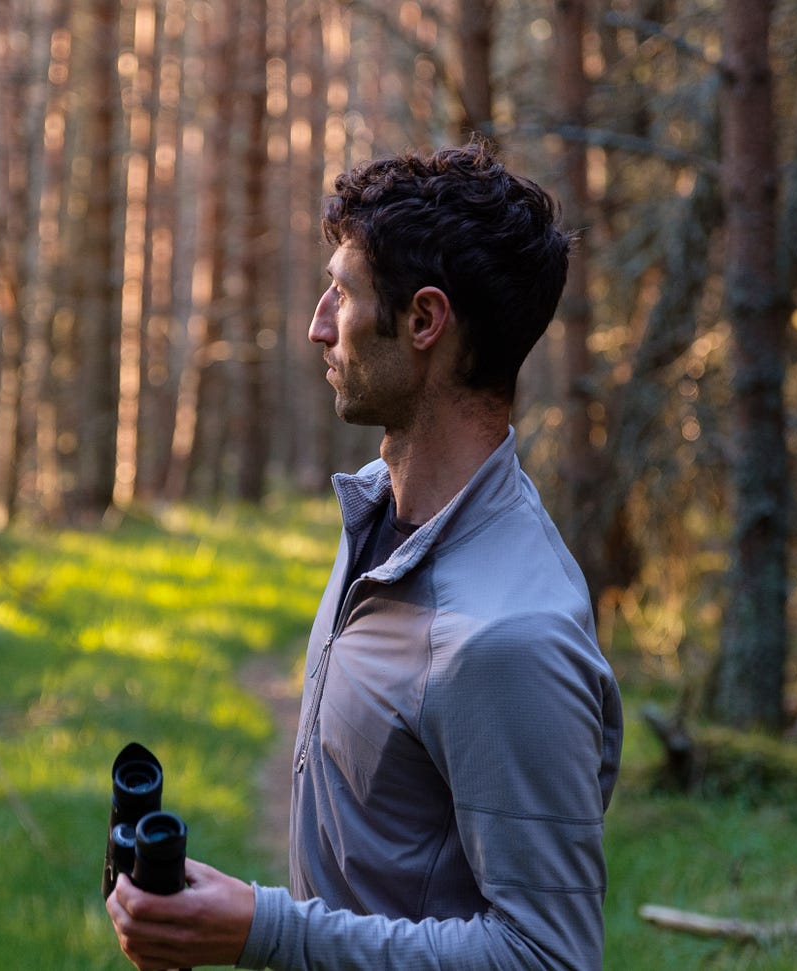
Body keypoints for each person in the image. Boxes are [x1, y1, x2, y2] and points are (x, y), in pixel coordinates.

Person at [106, 139, 623, 971]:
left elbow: (548, 957)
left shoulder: (508, 638)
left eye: (341, 293)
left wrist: (265, 931)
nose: (317, 324)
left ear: (424, 321)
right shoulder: (381, 520)